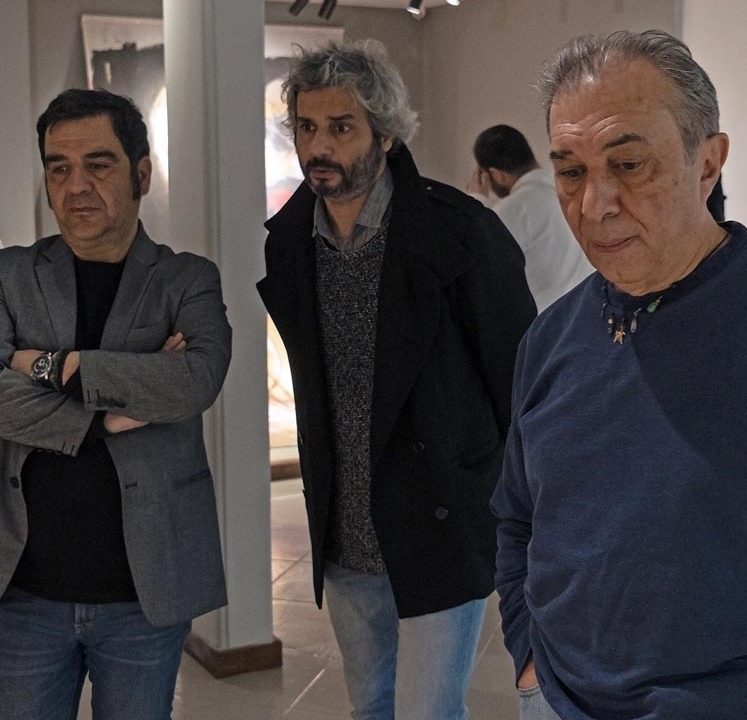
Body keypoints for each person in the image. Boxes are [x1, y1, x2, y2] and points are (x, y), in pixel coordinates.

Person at [491, 30, 747, 720]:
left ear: (707, 163)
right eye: (571, 172)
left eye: (628, 165)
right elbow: (517, 517)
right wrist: (531, 661)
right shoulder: (551, 337)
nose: (595, 204)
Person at [257, 40, 535, 720]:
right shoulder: (290, 241)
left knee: (428, 712)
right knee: (371, 707)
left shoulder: (461, 233)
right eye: (307, 127)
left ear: (384, 134)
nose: (319, 146)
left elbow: (519, 387)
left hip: (439, 518)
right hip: (345, 528)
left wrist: (513, 513)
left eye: (340, 127)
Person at [0, 89, 231, 719]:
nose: (76, 186)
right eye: (59, 167)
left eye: (98, 165)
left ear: (141, 174)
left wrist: (47, 366)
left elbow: (196, 381)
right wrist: (105, 417)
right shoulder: (10, 275)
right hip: (23, 591)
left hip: (144, 592)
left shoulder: (188, 279)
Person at [468, 124, 594, 312]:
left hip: (541, 322)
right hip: (586, 314)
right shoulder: (572, 192)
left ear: (495, 174)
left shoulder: (513, 209)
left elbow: (476, 268)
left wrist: (475, 201)